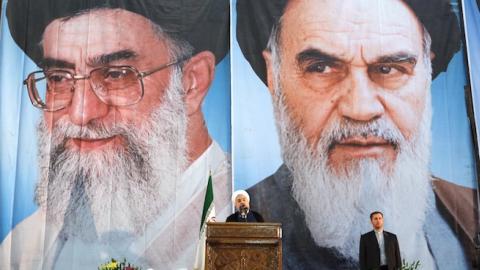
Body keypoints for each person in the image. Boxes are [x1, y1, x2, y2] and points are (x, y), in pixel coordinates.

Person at [236, 0, 478, 269]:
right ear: (274, 75)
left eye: (388, 69)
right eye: (321, 68)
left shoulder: (469, 212)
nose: (361, 109)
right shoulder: (245, 227)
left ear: (426, 73)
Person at [0, 0, 230, 269]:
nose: (81, 113)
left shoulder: (238, 220)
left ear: (191, 83)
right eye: (59, 78)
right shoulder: (29, 244)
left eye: (116, 74)